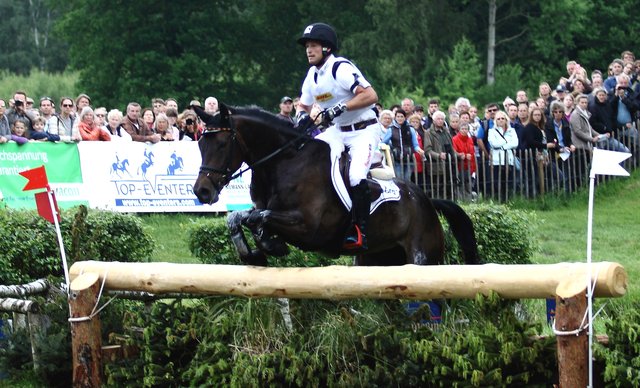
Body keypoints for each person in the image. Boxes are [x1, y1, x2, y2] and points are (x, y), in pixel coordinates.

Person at [296, 22, 379, 250]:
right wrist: (301, 117)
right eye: (307, 47)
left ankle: (361, 231)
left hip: (364, 130)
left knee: (355, 176)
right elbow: (302, 106)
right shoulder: (312, 75)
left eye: (313, 45)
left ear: (327, 48)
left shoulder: (340, 68)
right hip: (337, 132)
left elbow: (371, 95)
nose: (308, 50)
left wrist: (342, 107)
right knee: (307, 157)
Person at [424, 110, 458, 199]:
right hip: (437, 165)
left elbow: (451, 146)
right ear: (434, 120)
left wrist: (456, 155)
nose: (440, 121)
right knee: (437, 187)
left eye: (442, 119)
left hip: (449, 163)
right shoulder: (428, 133)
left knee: (449, 186)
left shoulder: (446, 131)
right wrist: (438, 155)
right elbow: (427, 150)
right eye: (438, 119)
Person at [382, 109, 423, 181]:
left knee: (407, 180)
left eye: (401, 116)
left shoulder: (410, 129)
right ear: (395, 117)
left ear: (405, 118)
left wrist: (419, 150)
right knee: (399, 180)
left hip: (409, 159)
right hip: (397, 159)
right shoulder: (391, 129)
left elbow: (415, 145)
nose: (400, 118)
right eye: (398, 116)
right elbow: (383, 142)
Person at [570, 94, 602, 186]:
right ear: (577, 103)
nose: (584, 104)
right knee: (580, 168)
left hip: (586, 145)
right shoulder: (575, 115)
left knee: (586, 166)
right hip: (580, 145)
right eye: (582, 102)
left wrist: (599, 135)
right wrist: (591, 139)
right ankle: (580, 186)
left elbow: (589, 128)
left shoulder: (585, 113)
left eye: (585, 102)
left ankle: (587, 184)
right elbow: (577, 131)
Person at [488, 110, 519, 200]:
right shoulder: (492, 131)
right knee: (497, 183)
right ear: (495, 121)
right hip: (496, 161)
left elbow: (515, 143)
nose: (501, 120)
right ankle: (498, 200)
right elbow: (494, 144)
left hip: (509, 160)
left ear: (506, 120)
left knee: (508, 182)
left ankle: (508, 201)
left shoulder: (512, 130)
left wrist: (502, 146)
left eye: (502, 118)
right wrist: (506, 142)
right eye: (498, 119)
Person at [452, 122, 477, 199]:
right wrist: (464, 155)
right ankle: (461, 200)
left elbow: (472, 151)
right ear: (459, 130)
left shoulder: (470, 139)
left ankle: (468, 200)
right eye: (462, 129)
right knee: (460, 184)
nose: (464, 130)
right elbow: (455, 151)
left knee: (468, 184)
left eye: (466, 129)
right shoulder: (455, 139)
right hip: (460, 166)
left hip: (469, 165)